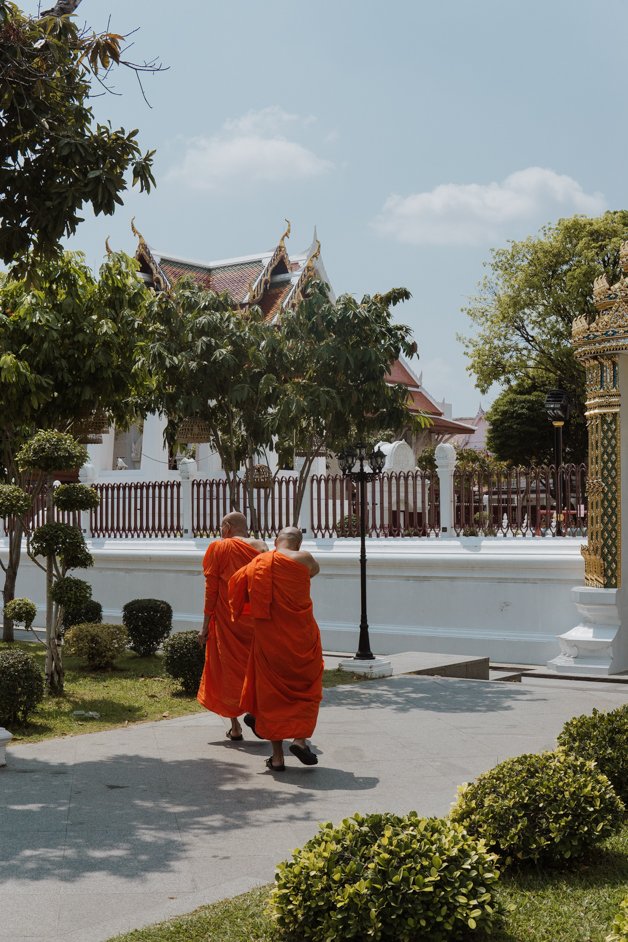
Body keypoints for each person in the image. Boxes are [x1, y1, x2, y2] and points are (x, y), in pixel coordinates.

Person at [229, 526, 323, 772]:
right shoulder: (303, 559)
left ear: (275, 540)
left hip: (269, 641)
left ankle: (278, 757)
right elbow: (313, 572)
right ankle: (300, 740)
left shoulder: (259, 563)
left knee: (270, 696)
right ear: (299, 544)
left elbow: (236, 586)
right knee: (307, 689)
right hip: (302, 639)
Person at [197, 512, 268, 740]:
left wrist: (205, 625)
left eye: (221, 526)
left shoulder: (219, 547)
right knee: (256, 667)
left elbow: (212, 590)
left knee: (227, 668)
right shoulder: (261, 545)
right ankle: (257, 711)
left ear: (227, 526)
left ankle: (235, 727)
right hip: (255, 618)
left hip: (228, 618)